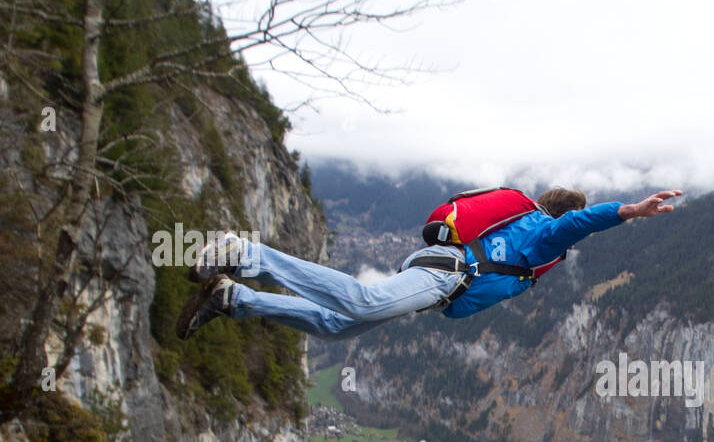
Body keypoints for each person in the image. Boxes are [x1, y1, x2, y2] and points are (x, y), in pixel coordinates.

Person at [176, 187, 682, 340]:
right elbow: (578, 224)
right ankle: (244, 254)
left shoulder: (526, 225)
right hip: (446, 274)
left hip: (440, 274)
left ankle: (233, 299)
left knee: (337, 325)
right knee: (362, 301)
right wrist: (629, 212)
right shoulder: (544, 233)